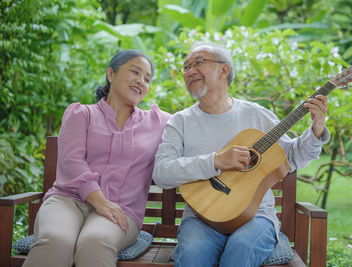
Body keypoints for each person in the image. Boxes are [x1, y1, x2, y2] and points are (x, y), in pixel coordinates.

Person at [152, 42, 330, 267]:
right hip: (201, 219)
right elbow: (162, 172)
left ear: (224, 70)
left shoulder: (256, 115)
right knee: (192, 256)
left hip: (256, 217)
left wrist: (317, 128)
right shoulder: (181, 122)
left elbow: (293, 157)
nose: (190, 71)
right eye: (186, 67)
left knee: (242, 249)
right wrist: (216, 160)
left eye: (198, 63)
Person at [23, 50, 170, 267]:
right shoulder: (81, 114)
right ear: (111, 74)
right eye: (135, 72)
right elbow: (72, 161)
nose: (141, 81)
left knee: (95, 243)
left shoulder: (157, 122)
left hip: (121, 210)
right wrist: (99, 201)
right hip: (67, 201)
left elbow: (195, 124)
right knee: (55, 241)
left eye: (147, 79)